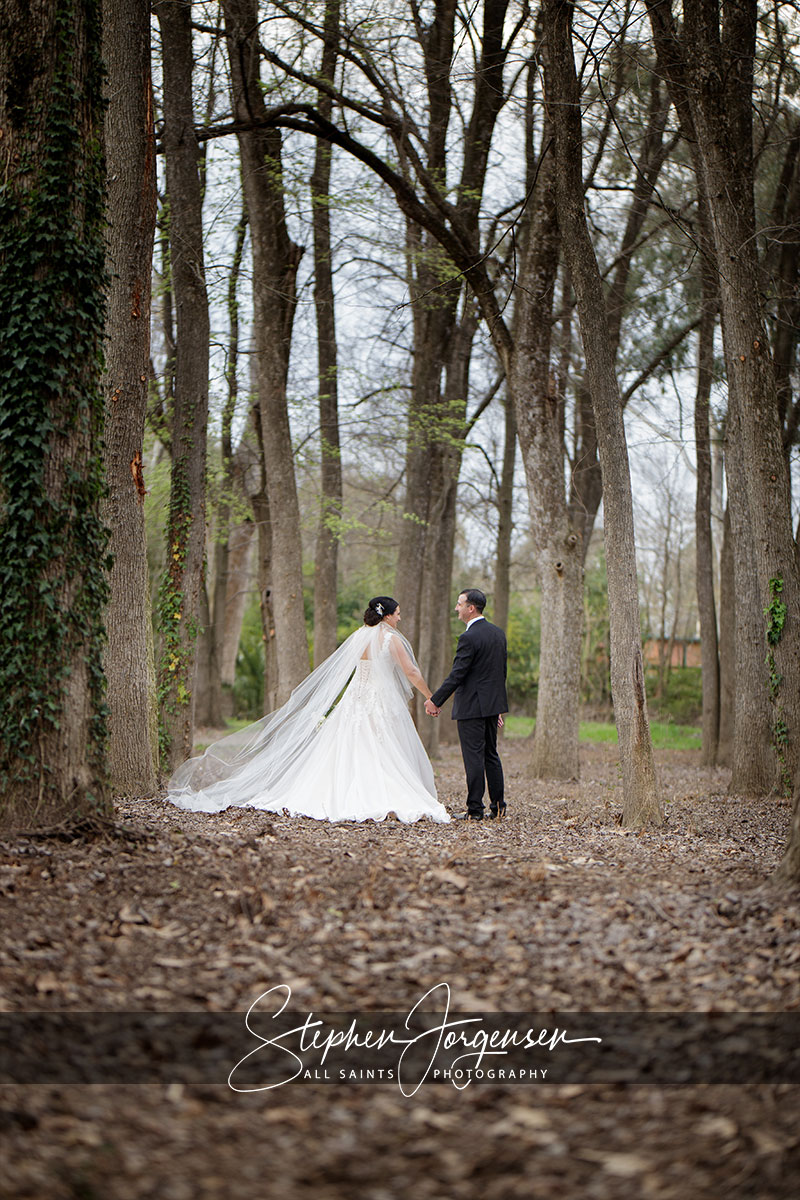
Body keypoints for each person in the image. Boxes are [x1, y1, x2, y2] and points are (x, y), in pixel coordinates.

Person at [166, 597, 450, 824]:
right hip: (380, 699)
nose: (400, 618)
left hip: (356, 698)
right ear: (386, 615)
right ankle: (380, 793)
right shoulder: (390, 639)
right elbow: (411, 671)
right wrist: (431, 697)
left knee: (352, 743)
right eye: (397, 614)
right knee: (383, 745)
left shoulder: (359, 637)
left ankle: (342, 790)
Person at [425, 589, 508, 821]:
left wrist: (435, 700)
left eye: (459, 604)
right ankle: (499, 807)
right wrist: (496, 706)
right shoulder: (498, 633)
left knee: (473, 758)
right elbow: (500, 673)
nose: (456, 608)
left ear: (471, 608)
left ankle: (475, 810)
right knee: (491, 755)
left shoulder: (468, 638)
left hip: (472, 706)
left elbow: (457, 674)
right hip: (490, 705)